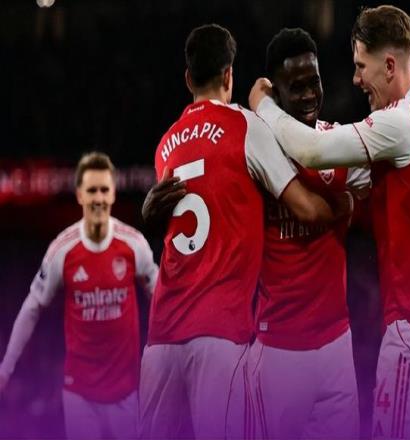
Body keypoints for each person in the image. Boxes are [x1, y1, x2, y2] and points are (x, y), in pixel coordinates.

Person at [249, 5, 410, 439]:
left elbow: (312, 151)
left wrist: (264, 105)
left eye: (360, 66)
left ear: (388, 65)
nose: (355, 79)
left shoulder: (398, 124)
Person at [138, 23, 349, 440]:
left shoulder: (165, 146)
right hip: (220, 333)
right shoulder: (246, 127)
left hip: (161, 337)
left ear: (188, 79)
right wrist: (343, 207)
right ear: (229, 74)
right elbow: (307, 209)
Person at [247, 28, 369, 440]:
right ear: (276, 94)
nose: (308, 95)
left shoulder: (338, 142)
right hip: (278, 351)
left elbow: (396, 183)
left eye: (313, 82)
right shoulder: (257, 151)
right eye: (295, 87)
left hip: (337, 345)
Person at [0, 152, 158, 439]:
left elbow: (162, 300)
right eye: (92, 190)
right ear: (80, 195)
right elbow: (32, 307)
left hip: (126, 393)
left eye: (104, 190)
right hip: (79, 394)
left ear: (113, 194)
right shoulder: (62, 250)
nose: (98, 198)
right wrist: (6, 367)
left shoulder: (134, 244)